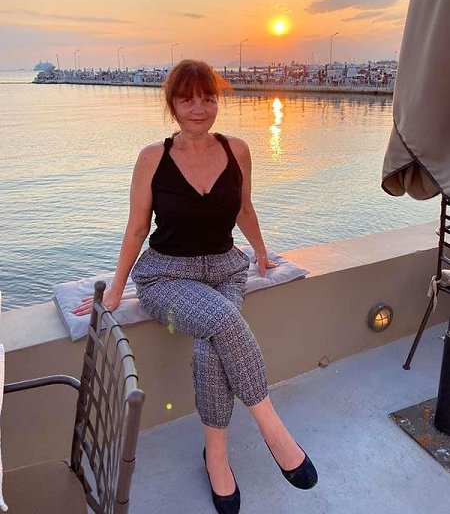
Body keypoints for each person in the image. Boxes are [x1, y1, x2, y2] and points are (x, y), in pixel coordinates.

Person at [73, 59, 317, 513]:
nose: (199, 108)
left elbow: (244, 209)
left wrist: (261, 252)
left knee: (211, 347)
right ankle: (273, 430)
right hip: (165, 277)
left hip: (227, 269)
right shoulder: (153, 158)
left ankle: (216, 457)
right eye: (187, 100)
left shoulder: (237, 150)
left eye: (208, 98)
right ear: (172, 105)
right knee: (224, 321)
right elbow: (136, 228)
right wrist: (116, 288)